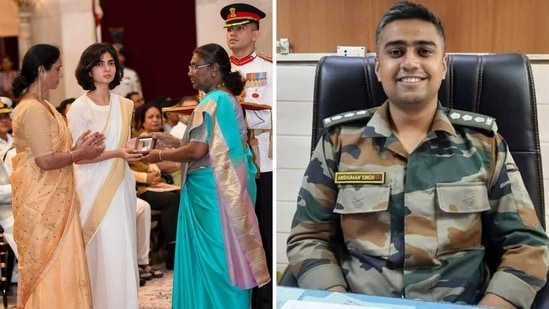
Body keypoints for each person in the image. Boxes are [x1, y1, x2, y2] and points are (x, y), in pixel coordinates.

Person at [286, 2, 549, 309]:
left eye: (424, 51)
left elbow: (527, 244)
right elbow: (308, 237)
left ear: (444, 65)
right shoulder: (339, 141)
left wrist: (492, 305)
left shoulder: (484, 144)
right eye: (396, 52)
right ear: (378, 66)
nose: (410, 63)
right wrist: (335, 299)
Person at [144, 43, 270, 308]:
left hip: (214, 194)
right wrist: (171, 142)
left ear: (214, 70)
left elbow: (198, 150)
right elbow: (210, 149)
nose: (189, 72)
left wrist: (160, 155)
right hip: (218, 187)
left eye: (195, 66)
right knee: (220, 257)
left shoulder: (214, 101)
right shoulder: (221, 98)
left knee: (219, 259)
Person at [10, 43, 105, 309]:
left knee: (63, 264)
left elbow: (53, 152)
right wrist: (77, 155)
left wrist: (78, 149)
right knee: (52, 267)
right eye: (58, 68)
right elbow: (44, 161)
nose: (61, 74)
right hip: (42, 204)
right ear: (42, 70)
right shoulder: (32, 109)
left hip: (57, 200)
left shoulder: (44, 105)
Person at [68, 42, 143, 309]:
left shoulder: (125, 105)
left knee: (122, 246)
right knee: (101, 249)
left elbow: (126, 143)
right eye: (100, 64)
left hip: (120, 182)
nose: (107, 68)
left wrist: (138, 148)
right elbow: (80, 156)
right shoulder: (79, 107)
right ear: (88, 70)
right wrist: (118, 153)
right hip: (91, 185)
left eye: (111, 63)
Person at [220, 3, 274, 308]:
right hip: (226, 164)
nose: (233, 34)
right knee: (234, 232)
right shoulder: (218, 70)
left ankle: (264, 298)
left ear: (255, 33)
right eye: (229, 29)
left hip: (261, 162)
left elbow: (269, 117)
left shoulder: (268, 68)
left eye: (240, 28)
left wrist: (236, 116)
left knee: (261, 231)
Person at [130, 101, 181, 269]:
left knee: (178, 195)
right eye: (150, 117)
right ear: (142, 121)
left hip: (157, 183)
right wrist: (149, 175)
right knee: (170, 199)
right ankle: (173, 252)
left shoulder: (165, 137)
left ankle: (177, 249)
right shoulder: (141, 139)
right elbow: (142, 164)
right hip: (142, 189)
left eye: (158, 116)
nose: (155, 120)